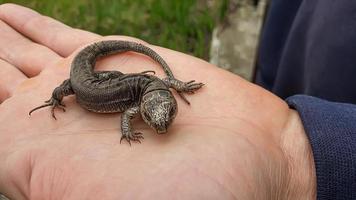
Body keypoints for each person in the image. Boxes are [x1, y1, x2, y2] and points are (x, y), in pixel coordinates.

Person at [0, 3, 349, 200]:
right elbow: (133, 111)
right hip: (85, 84)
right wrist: (61, 98)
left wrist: (293, 158)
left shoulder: (154, 94)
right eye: (155, 121)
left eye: (160, 119)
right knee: (67, 89)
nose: (160, 125)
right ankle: (56, 96)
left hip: (115, 83)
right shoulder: (138, 102)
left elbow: (152, 93)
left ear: (166, 100)